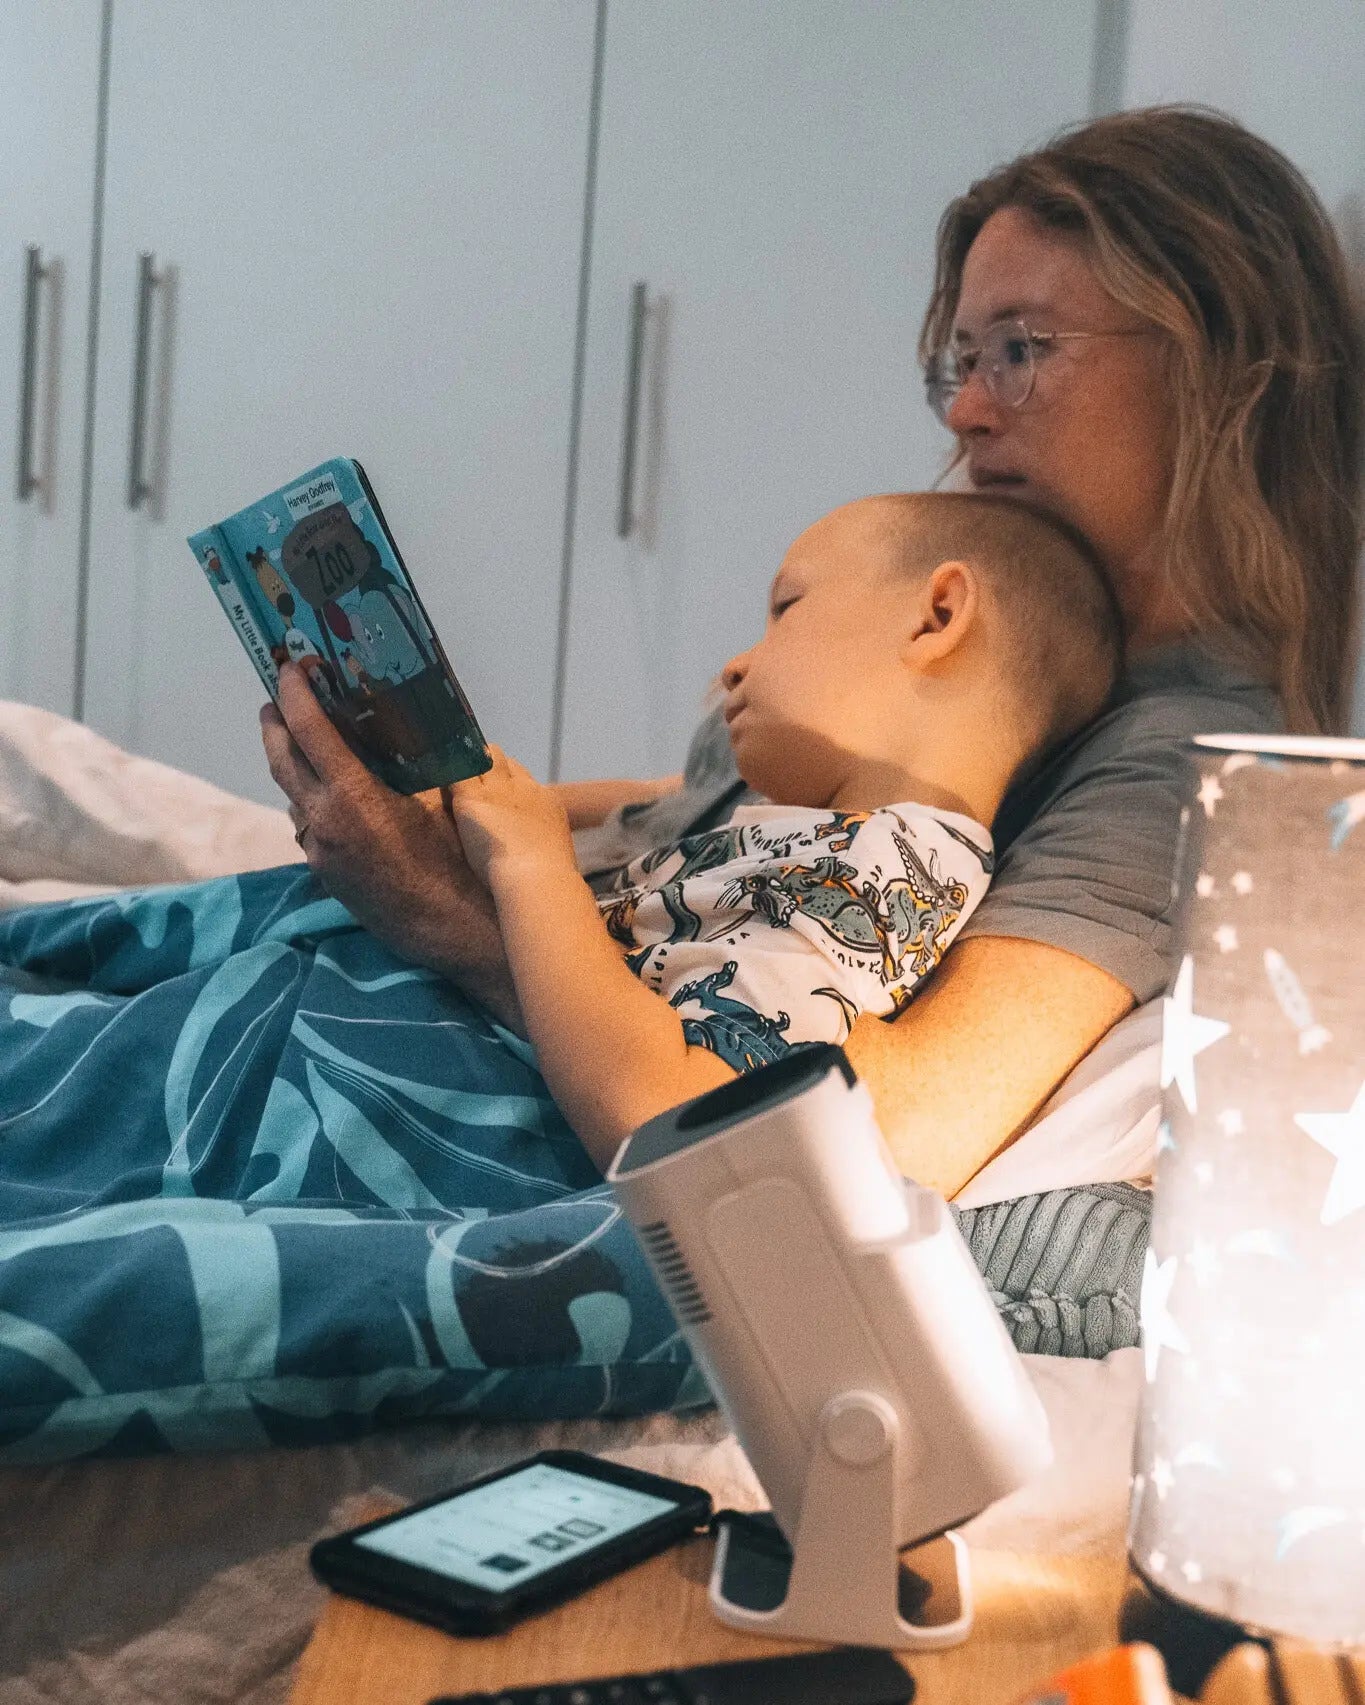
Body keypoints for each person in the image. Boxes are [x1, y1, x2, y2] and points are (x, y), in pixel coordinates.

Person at [266, 106, 1364, 1198]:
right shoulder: (995, 628)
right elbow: (695, 807)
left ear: (1218, 366)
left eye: (1022, 351)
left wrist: (459, 917)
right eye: (961, 361)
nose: (966, 411)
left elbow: (858, 1139)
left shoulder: (1184, 766)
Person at [0, 490, 1115, 1191]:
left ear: (936, 616)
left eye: (785, 609)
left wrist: (531, 862)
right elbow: (638, 811)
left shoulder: (894, 869)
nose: (735, 664)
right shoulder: (814, 829)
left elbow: (688, 1106)